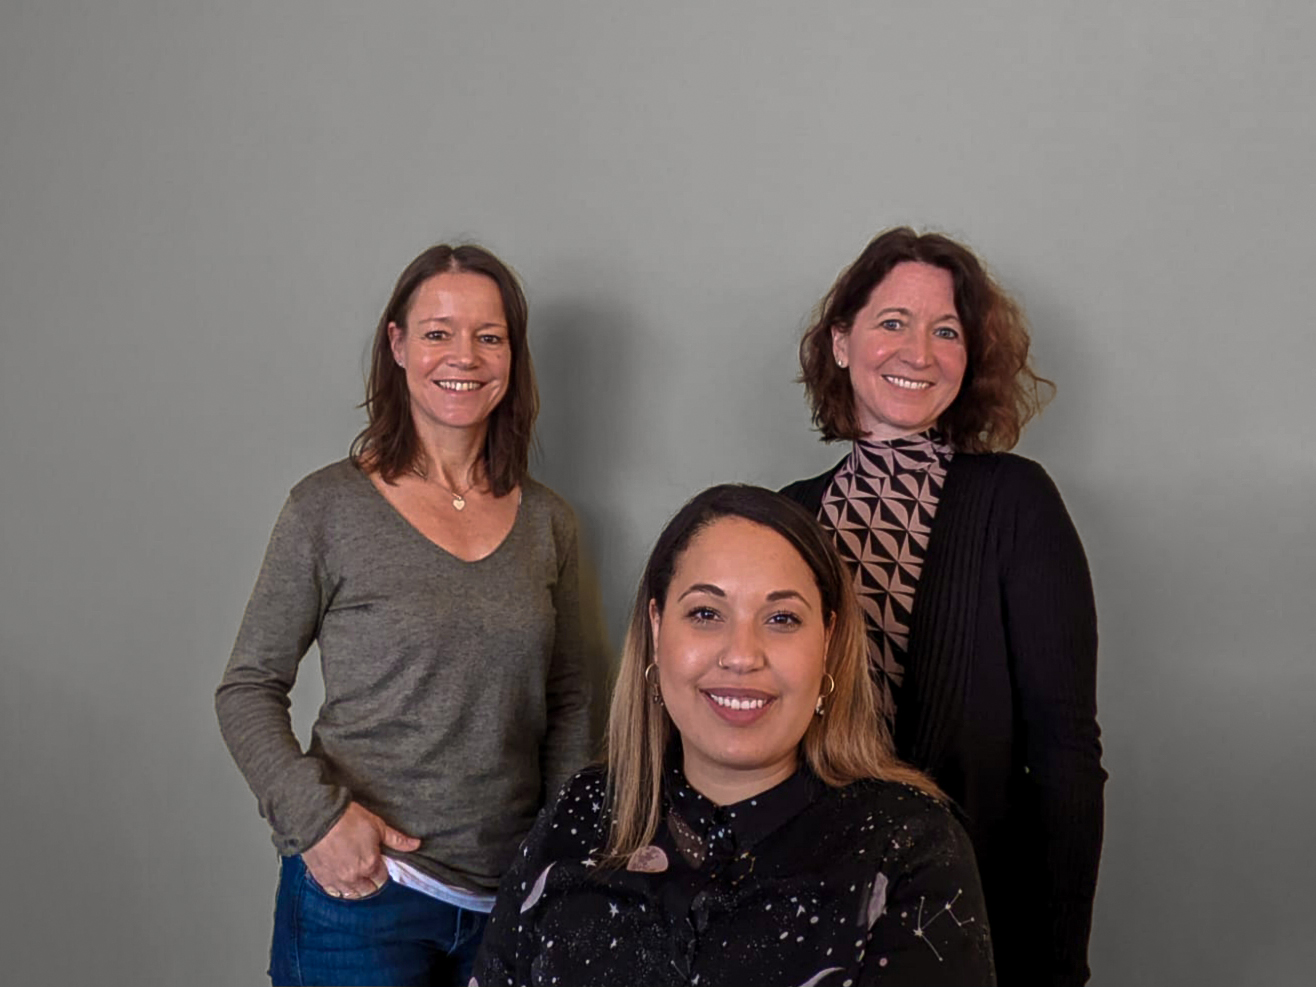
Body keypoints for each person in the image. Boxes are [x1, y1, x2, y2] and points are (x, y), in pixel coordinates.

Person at [216, 243, 607, 986]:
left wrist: (556, 858)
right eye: (437, 332)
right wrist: (318, 822)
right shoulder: (326, 508)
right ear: (397, 345)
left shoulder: (548, 522)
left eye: (489, 336)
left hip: (508, 904)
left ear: (512, 355)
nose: (465, 357)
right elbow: (246, 687)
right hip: (362, 900)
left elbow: (569, 701)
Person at [472, 484, 995, 987]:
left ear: (828, 641)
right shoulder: (578, 813)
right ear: (656, 627)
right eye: (705, 613)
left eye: (782, 618)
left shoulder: (909, 850)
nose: (742, 655)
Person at [781, 227, 1106, 985]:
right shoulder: (784, 517)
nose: (919, 352)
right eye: (893, 321)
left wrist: (1058, 966)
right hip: (805, 910)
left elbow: (1066, 755)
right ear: (841, 342)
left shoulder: (1016, 502)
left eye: (946, 331)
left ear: (970, 357)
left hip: (970, 915)